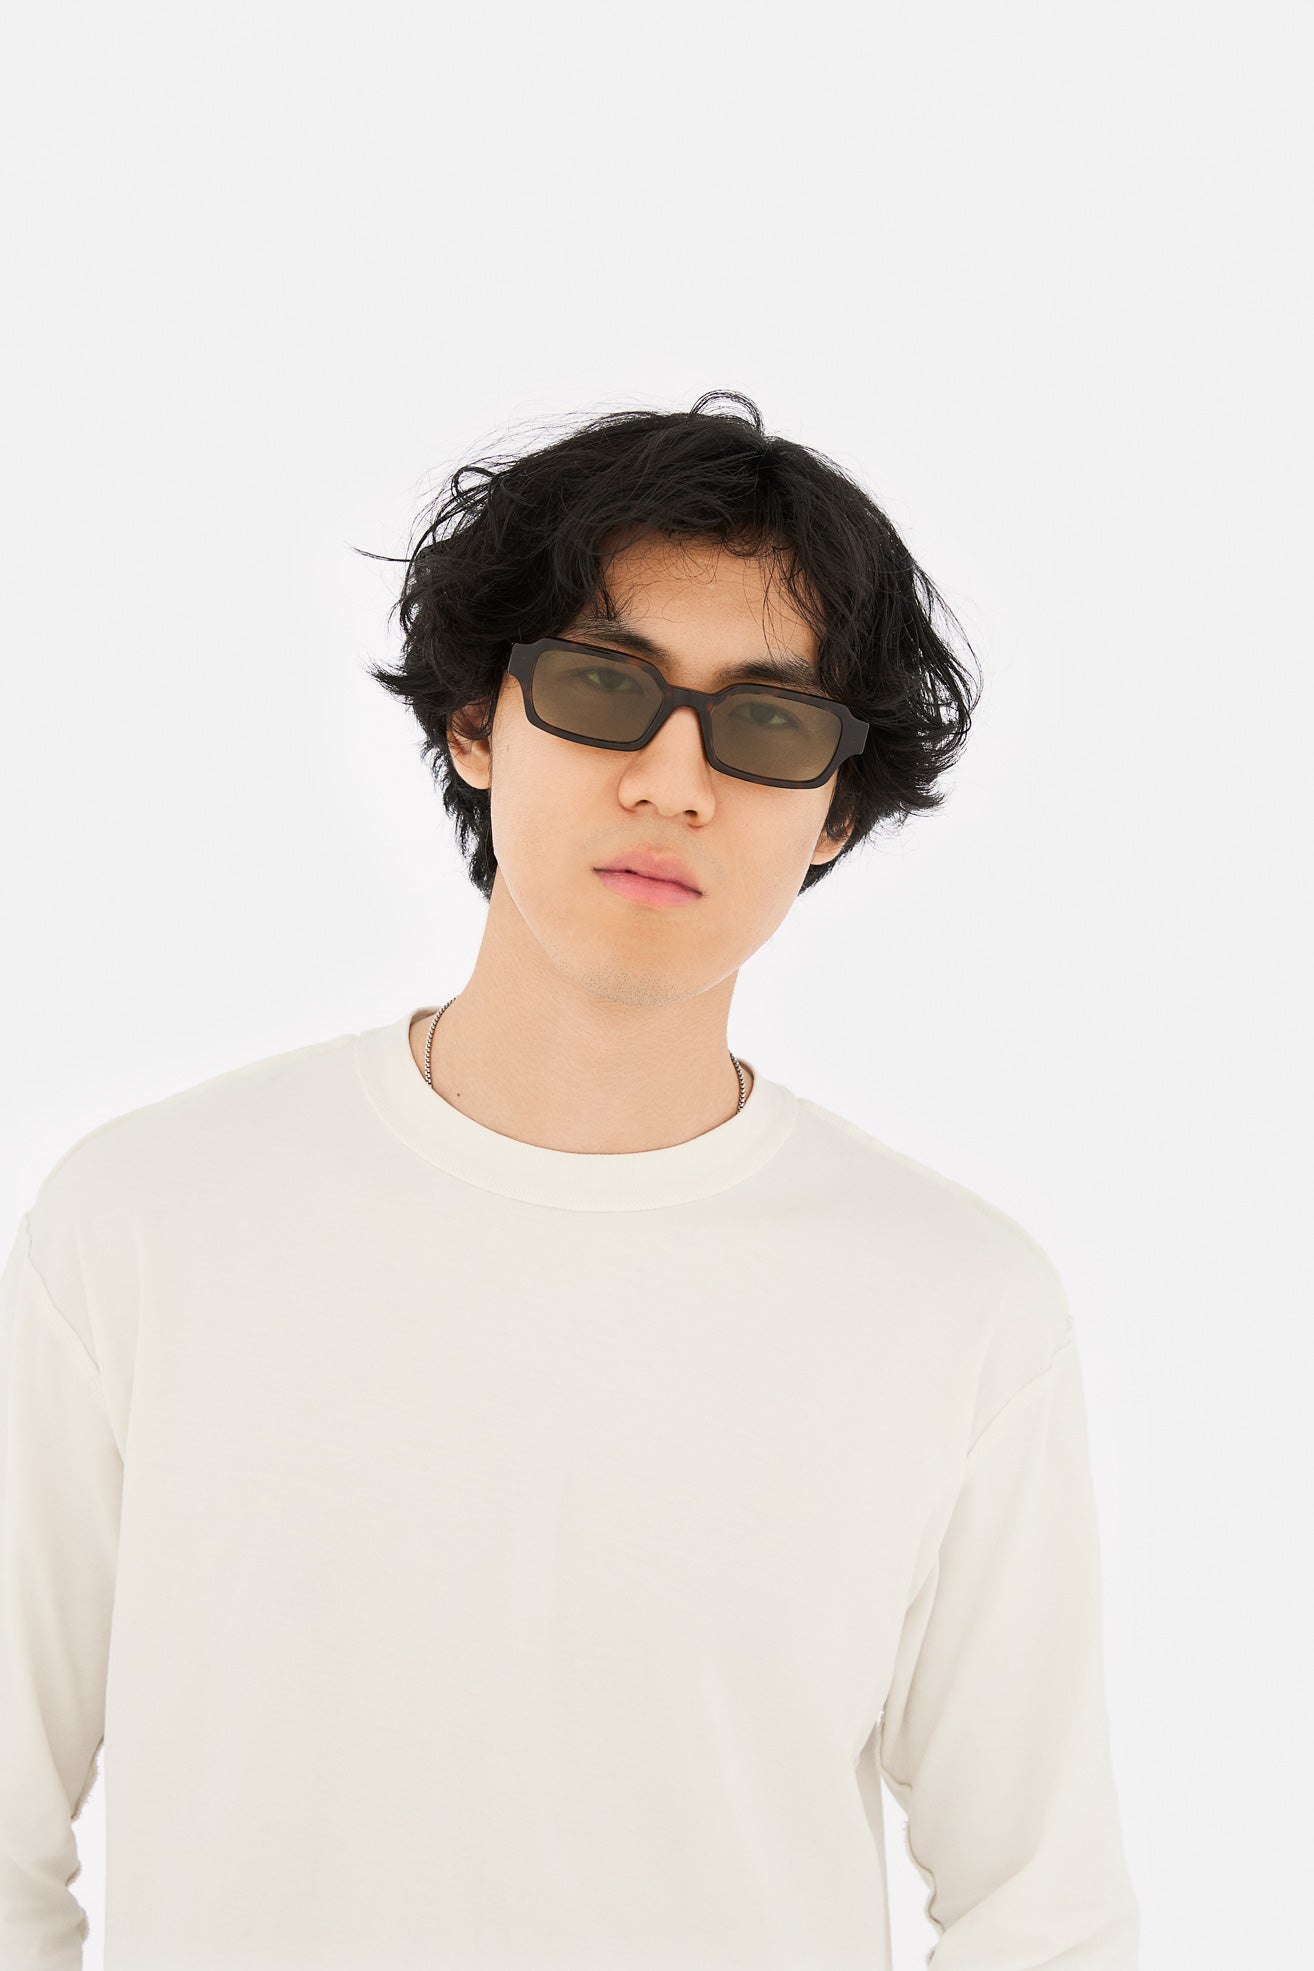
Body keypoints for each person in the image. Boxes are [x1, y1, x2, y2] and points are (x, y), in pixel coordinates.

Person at [0, 389, 1140, 1969]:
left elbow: (1038, 1907)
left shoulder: (953, 1306)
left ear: (833, 812)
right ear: (476, 722)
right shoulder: (149, 1220)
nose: (673, 781)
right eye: (605, 689)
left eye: (766, 725)